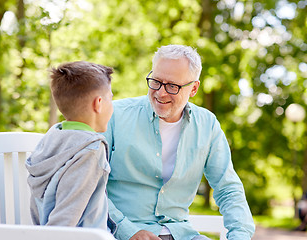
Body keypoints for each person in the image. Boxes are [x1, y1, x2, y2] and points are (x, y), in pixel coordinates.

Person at [103, 45, 255, 240]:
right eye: (156, 81)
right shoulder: (114, 116)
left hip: (182, 234)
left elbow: (228, 188)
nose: (161, 93)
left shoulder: (207, 124)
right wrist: (127, 231)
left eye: (172, 86)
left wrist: (239, 236)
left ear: (193, 88)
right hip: (120, 233)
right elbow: (92, 185)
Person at [26, 61, 114, 230]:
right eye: (111, 98)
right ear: (99, 103)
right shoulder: (90, 150)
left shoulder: (53, 136)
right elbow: (64, 221)